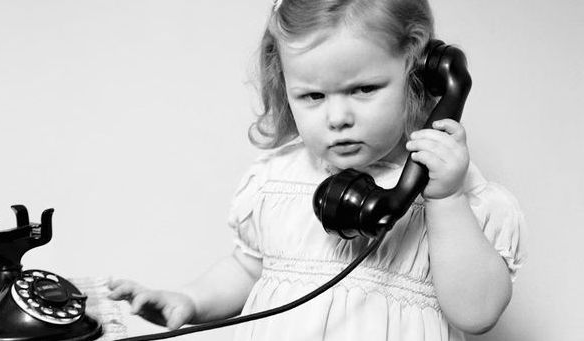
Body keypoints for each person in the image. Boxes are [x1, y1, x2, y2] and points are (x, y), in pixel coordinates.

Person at [108, 0, 526, 340]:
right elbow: (248, 269)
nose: (337, 116)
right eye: (311, 96)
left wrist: (446, 199)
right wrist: (190, 300)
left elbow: (477, 313)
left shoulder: (449, 191)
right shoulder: (278, 179)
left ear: (420, 74)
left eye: (364, 89)